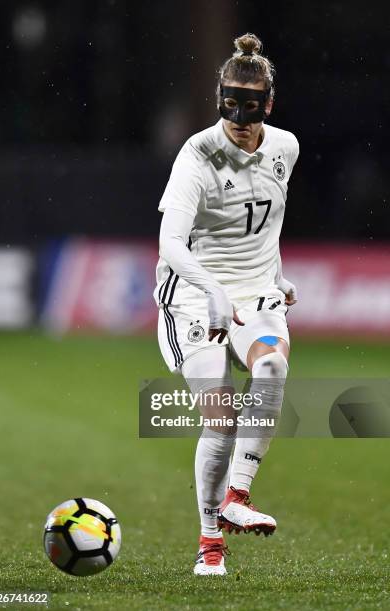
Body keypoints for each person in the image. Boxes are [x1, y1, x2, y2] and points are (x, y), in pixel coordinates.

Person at [154, 32, 299, 576]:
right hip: (193, 292)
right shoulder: (196, 155)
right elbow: (171, 243)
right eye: (230, 100)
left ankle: (238, 494)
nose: (239, 113)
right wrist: (212, 290)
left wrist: (278, 279)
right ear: (219, 97)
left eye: (251, 102)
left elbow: (268, 223)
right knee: (219, 415)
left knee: (272, 366)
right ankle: (210, 541)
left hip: (255, 289)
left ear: (269, 103)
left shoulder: (286, 147)